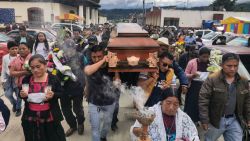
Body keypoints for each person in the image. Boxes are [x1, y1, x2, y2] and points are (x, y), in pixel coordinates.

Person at [199, 53, 250, 141]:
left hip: (234, 119)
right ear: (222, 65)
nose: (232, 69)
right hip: (216, 120)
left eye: (235, 66)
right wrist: (204, 120)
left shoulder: (243, 81)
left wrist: (248, 118)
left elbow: (247, 101)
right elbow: (203, 100)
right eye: (229, 66)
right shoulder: (212, 79)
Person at [19, 54, 66, 141]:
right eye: (32, 67)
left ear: (45, 65)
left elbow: (61, 93)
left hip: (49, 116)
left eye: (38, 66)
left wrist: (53, 95)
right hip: (31, 117)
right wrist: (22, 95)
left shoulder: (53, 79)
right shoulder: (27, 79)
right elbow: (21, 94)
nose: (35, 70)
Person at [84, 45, 120, 141]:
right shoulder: (90, 65)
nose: (96, 59)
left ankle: (103, 137)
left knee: (107, 124)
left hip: (109, 101)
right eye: (94, 57)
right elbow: (88, 72)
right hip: (94, 102)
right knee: (95, 129)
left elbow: (117, 79)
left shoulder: (111, 65)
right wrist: (87, 89)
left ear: (104, 55)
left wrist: (117, 80)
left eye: (99, 56)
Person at [130, 92, 200, 141]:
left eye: (175, 104)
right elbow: (135, 130)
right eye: (168, 103)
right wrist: (140, 131)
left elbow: (193, 136)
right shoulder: (149, 113)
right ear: (161, 102)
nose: (171, 108)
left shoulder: (184, 117)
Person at [59, 39, 85, 136]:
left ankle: (81, 123)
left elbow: (85, 70)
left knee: (77, 108)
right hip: (63, 88)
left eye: (71, 47)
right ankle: (73, 125)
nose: (69, 50)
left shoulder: (81, 56)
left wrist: (84, 85)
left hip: (77, 87)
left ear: (74, 47)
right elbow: (54, 70)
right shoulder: (59, 57)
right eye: (67, 47)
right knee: (66, 109)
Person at [184, 47, 210, 123]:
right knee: (193, 104)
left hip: (206, 86)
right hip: (194, 86)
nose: (206, 58)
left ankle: (201, 119)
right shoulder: (192, 62)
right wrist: (192, 75)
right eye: (204, 57)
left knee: (203, 103)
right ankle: (191, 120)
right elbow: (185, 74)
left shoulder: (210, 64)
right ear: (199, 55)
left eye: (207, 57)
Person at [9, 42, 32, 117]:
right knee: (25, 100)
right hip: (21, 85)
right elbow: (12, 73)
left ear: (29, 49)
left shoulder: (34, 58)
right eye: (20, 49)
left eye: (24, 48)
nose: (21, 50)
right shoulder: (15, 60)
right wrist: (24, 72)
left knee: (32, 101)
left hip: (33, 84)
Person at [1, 41, 20, 114]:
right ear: (8, 49)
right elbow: (3, 69)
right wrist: (3, 80)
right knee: (7, 94)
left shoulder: (20, 57)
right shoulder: (5, 57)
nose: (15, 50)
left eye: (16, 48)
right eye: (13, 49)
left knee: (18, 95)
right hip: (8, 79)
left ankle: (18, 108)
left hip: (17, 78)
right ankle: (14, 103)